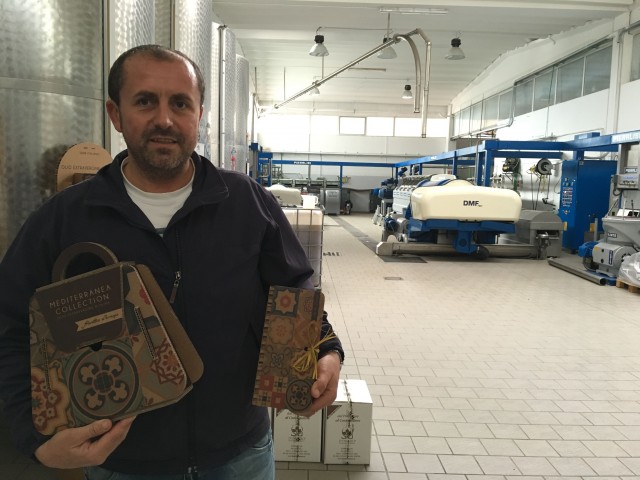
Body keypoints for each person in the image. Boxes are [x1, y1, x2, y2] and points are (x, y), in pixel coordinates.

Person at [0, 44, 343, 479]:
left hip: (240, 454)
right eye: (145, 101)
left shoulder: (246, 203)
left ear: (199, 114)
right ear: (115, 113)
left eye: (180, 103)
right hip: (122, 463)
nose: (164, 119)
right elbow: (10, 329)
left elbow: (294, 289)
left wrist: (326, 350)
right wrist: (33, 437)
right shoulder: (63, 219)